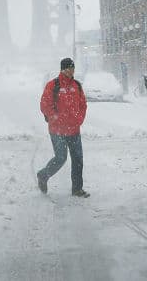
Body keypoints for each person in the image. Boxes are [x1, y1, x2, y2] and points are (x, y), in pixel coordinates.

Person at [36, 57, 89, 198]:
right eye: (70, 68)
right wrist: (55, 118)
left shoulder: (77, 85)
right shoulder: (53, 85)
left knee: (78, 159)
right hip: (57, 131)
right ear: (64, 69)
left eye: (73, 68)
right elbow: (44, 105)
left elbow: (83, 105)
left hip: (74, 130)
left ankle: (77, 189)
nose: (72, 71)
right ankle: (43, 175)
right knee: (61, 158)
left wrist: (79, 119)